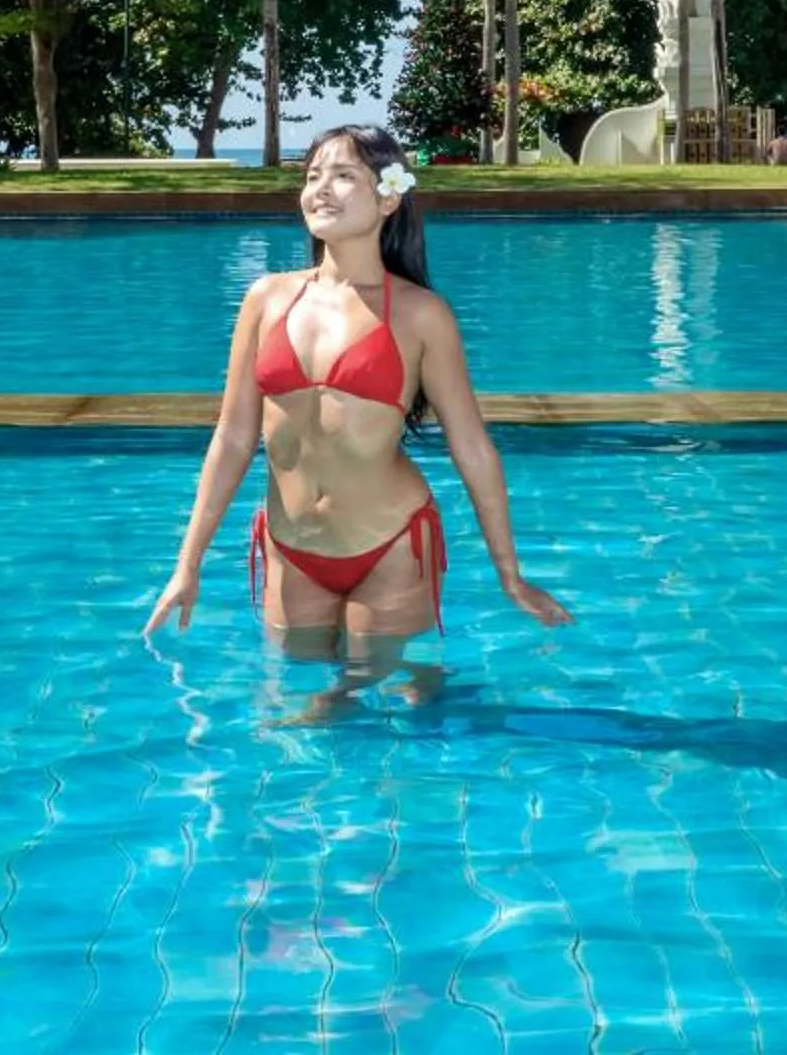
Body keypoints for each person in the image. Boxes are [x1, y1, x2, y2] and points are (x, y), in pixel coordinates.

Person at [144, 123, 570, 705]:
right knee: (297, 688)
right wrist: (186, 565)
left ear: (388, 198)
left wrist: (509, 575)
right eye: (313, 175)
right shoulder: (266, 299)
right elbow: (234, 437)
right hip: (291, 548)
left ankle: (422, 702)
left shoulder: (422, 315)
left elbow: (471, 447)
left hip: (391, 544)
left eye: (344, 176)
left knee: (369, 700)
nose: (322, 189)